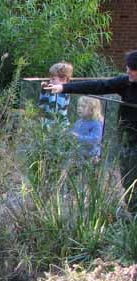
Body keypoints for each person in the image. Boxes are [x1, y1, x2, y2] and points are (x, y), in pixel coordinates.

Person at [43, 50, 137, 208]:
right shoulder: (126, 82)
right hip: (127, 137)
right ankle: (133, 210)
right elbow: (98, 86)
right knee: (128, 176)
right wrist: (64, 88)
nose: (127, 70)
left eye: (132, 68)